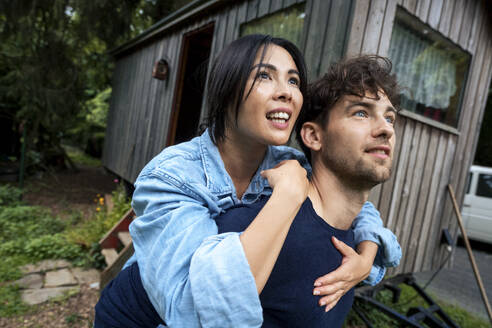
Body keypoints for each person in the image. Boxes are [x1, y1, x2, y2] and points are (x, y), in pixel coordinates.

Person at [95, 35, 401, 327]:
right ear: (227, 89)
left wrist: (366, 254)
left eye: (293, 80)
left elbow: (353, 199)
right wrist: (288, 195)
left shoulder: (289, 161)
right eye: (265, 76)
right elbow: (189, 310)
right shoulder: (173, 174)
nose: (286, 92)